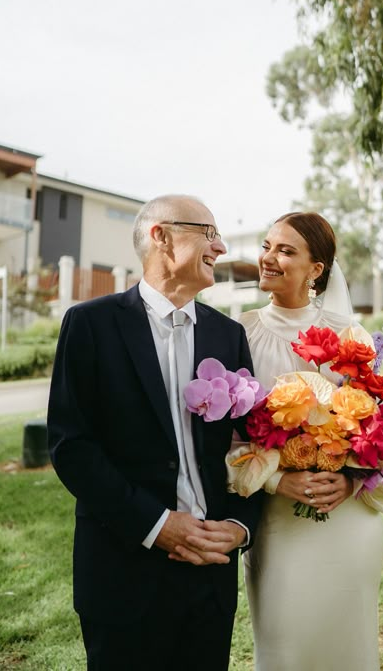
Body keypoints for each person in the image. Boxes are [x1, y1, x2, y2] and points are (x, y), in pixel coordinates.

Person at [47, 195, 263, 671]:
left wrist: (239, 526)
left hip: (210, 574)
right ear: (159, 235)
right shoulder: (89, 324)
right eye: (209, 233)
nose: (221, 246)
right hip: (123, 570)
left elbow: (251, 446)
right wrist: (157, 525)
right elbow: (72, 447)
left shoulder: (229, 336)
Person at [238, 212, 383, 671]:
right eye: (266, 246)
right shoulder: (237, 331)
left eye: (285, 250)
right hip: (280, 520)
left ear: (316, 270)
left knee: (347, 640)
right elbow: (222, 435)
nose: (268, 258)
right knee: (285, 642)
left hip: (346, 519)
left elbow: (380, 426)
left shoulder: (349, 337)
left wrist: (352, 482)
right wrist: (276, 482)